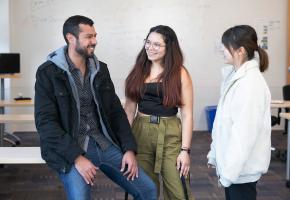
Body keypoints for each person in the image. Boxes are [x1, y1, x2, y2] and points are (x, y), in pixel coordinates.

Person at [34, 15, 157, 200]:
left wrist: (129, 150)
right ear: (70, 38)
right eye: (89, 37)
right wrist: (77, 157)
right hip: (72, 148)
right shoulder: (48, 72)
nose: (94, 41)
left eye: (95, 35)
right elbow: (46, 124)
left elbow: (116, 113)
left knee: (149, 190)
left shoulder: (100, 69)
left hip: (103, 142)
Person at [124, 25, 194, 200]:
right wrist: (126, 145)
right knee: (145, 188)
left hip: (170, 133)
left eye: (157, 44)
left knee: (179, 189)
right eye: (148, 42)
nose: (150, 47)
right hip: (141, 132)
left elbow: (187, 114)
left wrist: (185, 150)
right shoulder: (139, 70)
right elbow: (129, 109)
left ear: (168, 47)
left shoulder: (180, 73)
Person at [207, 25, 271, 200]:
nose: (222, 49)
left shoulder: (250, 84)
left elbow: (244, 135)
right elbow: (223, 123)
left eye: (225, 46)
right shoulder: (235, 77)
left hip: (240, 170)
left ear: (240, 51)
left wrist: (228, 172)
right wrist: (216, 155)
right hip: (234, 168)